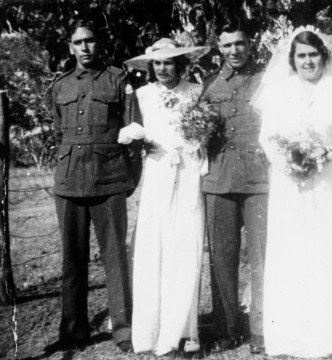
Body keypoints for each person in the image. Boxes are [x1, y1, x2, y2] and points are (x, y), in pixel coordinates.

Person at [256, 27, 332, 360]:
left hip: (326, 181)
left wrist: (327, 155)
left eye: (313, 54)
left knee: (326, 252)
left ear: (324, 56)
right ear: (292, 59)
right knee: (292, 254)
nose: (307, 61)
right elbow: (267, 138)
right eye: (301, 55)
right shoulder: (277, 92)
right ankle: (291, 339)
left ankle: (329, 338)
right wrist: (289, 164)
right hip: (289, 183)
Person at [46, 19, 140, 353]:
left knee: (115, 258)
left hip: (110, 179)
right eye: (78, 42)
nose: (85, 47)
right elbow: (59, 133)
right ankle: (74, 329)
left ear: (98, 44)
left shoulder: (117, 79)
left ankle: (124, 329)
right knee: (73, 261)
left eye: (90, 41)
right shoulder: (60, 85)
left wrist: (127, 181)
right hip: (69, 183)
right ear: (70, 47)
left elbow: (132, 132)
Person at [120, 38, 209, 355]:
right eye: (157, 63)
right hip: (158, 173)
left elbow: (205, 132)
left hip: (187, 172)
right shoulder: (142, 96)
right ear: (149, 66)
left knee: (185, 247)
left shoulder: (195, 91)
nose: (162, 68)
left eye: (169, 62)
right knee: (154, 248)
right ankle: (153, 330)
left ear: (180, 64)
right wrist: (135, 138)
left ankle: (183, 332)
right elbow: (131, 134)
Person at [200, 15, 268, 354]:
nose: (234, 50)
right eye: (227, 44)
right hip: (219, 180)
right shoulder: (209, 85)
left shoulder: (266, 80)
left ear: (249, 44)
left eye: (239, 43)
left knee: (262, 257)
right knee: (222, 259)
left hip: (259, 180)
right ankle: (226, 328)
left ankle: (261, 329)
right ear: (219, 48)